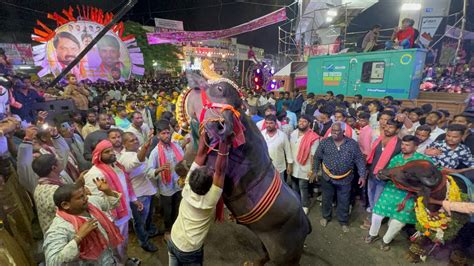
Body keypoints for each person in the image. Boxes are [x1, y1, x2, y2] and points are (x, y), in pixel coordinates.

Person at [168, 133, 229, 265]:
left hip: (173, 240)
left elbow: (201, 155)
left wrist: (203, 131)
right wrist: (224, 141)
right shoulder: (210, 200)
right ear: (209, 186)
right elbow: (220, 170)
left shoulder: (187, 186)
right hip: (189, 251)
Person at [365, 135, 434, 250]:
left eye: (407, 145)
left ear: (416, 147)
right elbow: (387, 173)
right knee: (377, 214)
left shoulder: (424, 161)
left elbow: (433, 176)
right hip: (390, 191)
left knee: (398, 222)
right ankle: (373, 234)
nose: (403, 147)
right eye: (402, 144)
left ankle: (385, 241)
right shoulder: (396, 158)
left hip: (408, 196)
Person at [84, 139, 143, 265]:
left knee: (123, 241)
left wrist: (134, 200)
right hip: (113, 218)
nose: (111, 153)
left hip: (124, 211)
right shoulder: (95, 173)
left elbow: (126, 186)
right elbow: (96, 201)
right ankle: (121, 263)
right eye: (107, 152)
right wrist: (109, 221)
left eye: (111, 150)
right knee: (116, 244)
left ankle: (124, 260)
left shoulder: (116, 166)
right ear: (98, 155)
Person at [43, 181, 122, 265]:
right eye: (81, 197)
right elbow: (53, 262)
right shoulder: (59, 228)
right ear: (65, 205)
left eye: (84, 194)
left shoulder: (90, 203)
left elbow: (112, 204)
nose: (86, 198)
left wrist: (107, 191)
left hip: (109, 258)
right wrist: (78, 237)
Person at [314, 123, 366, 232]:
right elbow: (317, 157)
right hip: (327, 177)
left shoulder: (352, 144)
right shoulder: (325, 143)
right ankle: (326, 217)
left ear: (343, 132)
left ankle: (343, 221)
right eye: (333, 131)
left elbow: (359, 160)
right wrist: (315, 171)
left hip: (345, 179)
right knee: (326, 198)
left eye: (337, 131)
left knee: (344, 200)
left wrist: (362, 175)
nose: (334, 133)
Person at [118, 132, 159, 252]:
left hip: (147, 190)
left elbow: (146, 168)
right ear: (124, 144)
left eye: (136, 139)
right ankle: (144, 242)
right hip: (138, 195)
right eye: (131, 140)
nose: (135, 141)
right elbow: (136, 162)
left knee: (147, 217)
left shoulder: (137, 151)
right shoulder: (125, 157)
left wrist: (156, 171)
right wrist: (145, 148)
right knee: (139, 221)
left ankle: (150, 231)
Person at [148, 120, 184, 234]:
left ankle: (176, 226)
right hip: (166, 187)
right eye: (163, 133)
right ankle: (168, 230)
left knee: (177, 206)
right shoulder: (155, 153)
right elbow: (149, 171)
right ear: (158, 135)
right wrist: (159, 169)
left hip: (179, 183)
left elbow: (182, 160)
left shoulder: (176, 146)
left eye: (168, 133)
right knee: (167, 210)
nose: (167, 136)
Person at [366, 119, 402, 213]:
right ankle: (373, 211)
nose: (387, 129)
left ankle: (374, 216)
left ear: (397, 130)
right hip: (372, 173)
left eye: (391, 127)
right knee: (370, 193)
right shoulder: (379, 139)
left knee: (379, 197)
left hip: (385, 177)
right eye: (386, 126)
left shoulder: (399, 144)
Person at [290, 115, 320, 214]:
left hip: (305, 166)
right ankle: (296, 203)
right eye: (300, 121)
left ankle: (305, 205)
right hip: (293, 165)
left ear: (309, 124)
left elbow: (313, 156)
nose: (301, 123)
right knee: (294, 185)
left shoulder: (314, 137)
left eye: (304, 121)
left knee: (303, 187)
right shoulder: (294, 133)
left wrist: (312, 170)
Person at [262, 115, 293, 182]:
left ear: (275, 124)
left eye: (271, 123)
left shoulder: (282, 135)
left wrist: (289, 165)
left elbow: (288, 151)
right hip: (264, 168)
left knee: (280, 187)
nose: (268, 125)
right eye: (267, 123)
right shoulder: (261, 134)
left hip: (279, 167)